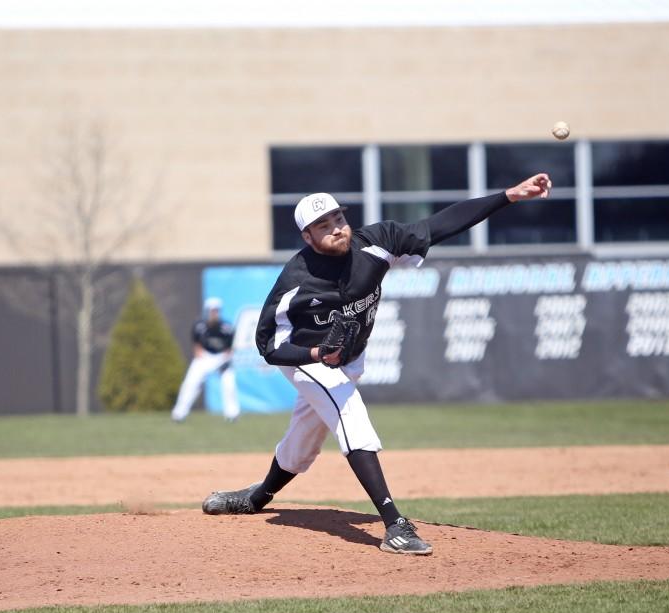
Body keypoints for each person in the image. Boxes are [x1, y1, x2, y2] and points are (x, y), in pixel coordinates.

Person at [201, 173, 552, 554]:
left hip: (349, 358)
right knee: (351, 417)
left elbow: (439, 225)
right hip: (306, 359)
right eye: (323, 225)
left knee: (303, 442)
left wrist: (510, 196)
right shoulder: (296, 282)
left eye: (338, 218)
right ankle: (395, 524)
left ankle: (255, 498)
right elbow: (268, 346)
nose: (336, 228)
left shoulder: (377, 243)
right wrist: (317, 355)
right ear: (308, 237)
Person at [171, 297, 240, 422]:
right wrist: (201, 357)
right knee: (190, 383)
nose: (215, 313)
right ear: (206, 311)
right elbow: (196, 346)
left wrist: (224, 360)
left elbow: (229, 349)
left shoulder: (226, 327)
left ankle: (232, 414)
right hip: (204, 356)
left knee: (228, 383)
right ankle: (179, 414)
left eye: (217, 311)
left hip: (221, 358)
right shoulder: (199, 326)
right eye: (212, 310)